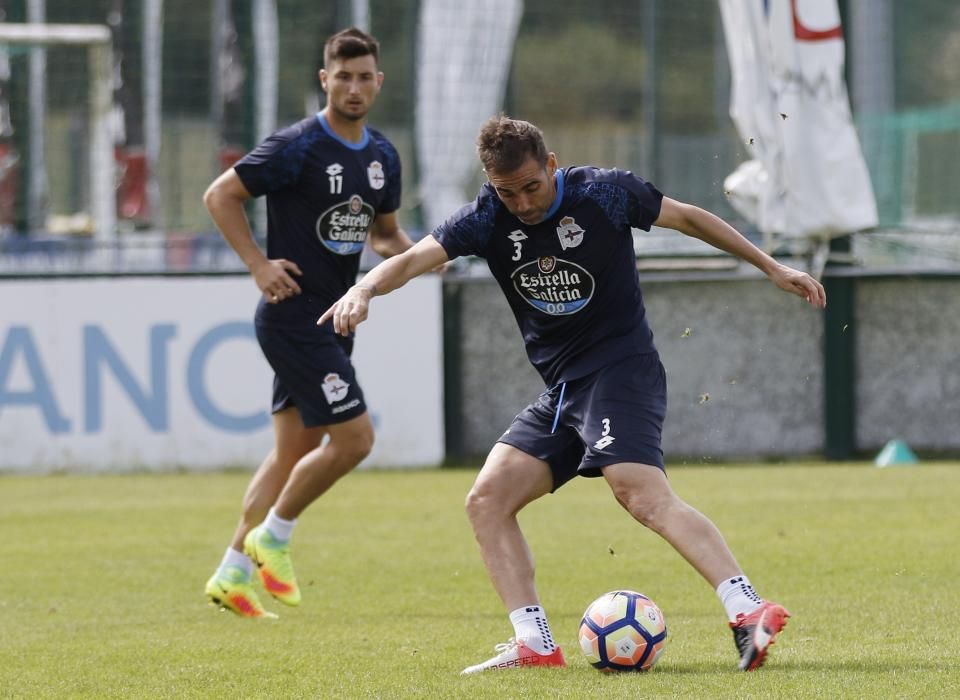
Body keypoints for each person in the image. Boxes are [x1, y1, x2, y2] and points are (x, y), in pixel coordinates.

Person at [319, 116, 826, 671]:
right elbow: (414, 257)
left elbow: (688, 219)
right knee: (487, 502)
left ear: (552, 164)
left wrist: (771, 266)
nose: (522, 203)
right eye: (507, 191)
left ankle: (747, 608)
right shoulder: (487, 216)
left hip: (619, 370)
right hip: (564, 391)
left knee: (638, 493)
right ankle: (534, 643)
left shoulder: (604, 194)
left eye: (531, 187)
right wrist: (364, 288)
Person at [202, 27, 413, 618]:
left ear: (378, 81)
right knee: (355, 439)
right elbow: (220, 195)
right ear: (325, 79)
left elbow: (385, 234)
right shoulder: (296, 146)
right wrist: (257, 264)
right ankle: (275, 536)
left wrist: (431, 255)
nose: (353, 86)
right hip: (294, 318)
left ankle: (232, 572)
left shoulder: (382, 157)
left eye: (363, 76)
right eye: (342, 76)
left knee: (294, 452)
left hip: (337, 321)